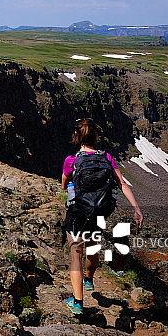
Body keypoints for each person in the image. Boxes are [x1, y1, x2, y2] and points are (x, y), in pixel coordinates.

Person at [61, 118, 144, 315]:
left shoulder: (71, 161)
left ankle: (78, 302)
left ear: (76, 137)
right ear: (96, 137)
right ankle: (89, 279)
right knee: (92, 248)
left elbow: (64, 184)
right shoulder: (106, 157)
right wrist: (136, 208)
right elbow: (122, 184)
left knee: (76, 253)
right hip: (99, 211)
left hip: (78, 212)